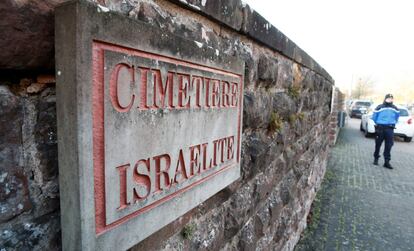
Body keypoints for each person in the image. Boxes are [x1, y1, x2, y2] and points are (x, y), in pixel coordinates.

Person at [372, 94, 399, 169]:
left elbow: (397, 118)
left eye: (391, 98)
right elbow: (374, 117)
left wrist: (392, 123)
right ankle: (376, 158)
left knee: (389, 146)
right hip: (380, 128)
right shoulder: (379, 107)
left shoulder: (395, 108)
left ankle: (386, 162)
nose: (389, 100)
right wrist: (379, 123)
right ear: (385, 99)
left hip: (389, 129)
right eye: (388, 98)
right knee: (378, 144)